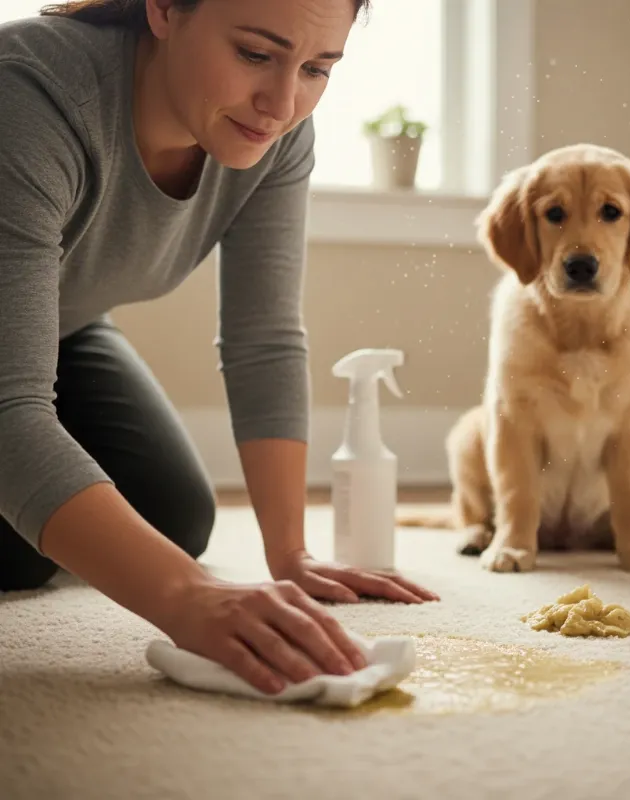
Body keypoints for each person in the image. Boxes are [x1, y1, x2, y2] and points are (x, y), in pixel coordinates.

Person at [0, 0, 439, 696]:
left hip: (67, 324)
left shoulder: (277, 133)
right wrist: (187, 598)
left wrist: (288, 552)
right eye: (256, 55)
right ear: (166, 9)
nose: (282, 101)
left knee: (172, 514)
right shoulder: (29, 94)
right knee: (18, 551)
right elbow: (8, 410)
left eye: (319, 68)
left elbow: (263, 337)